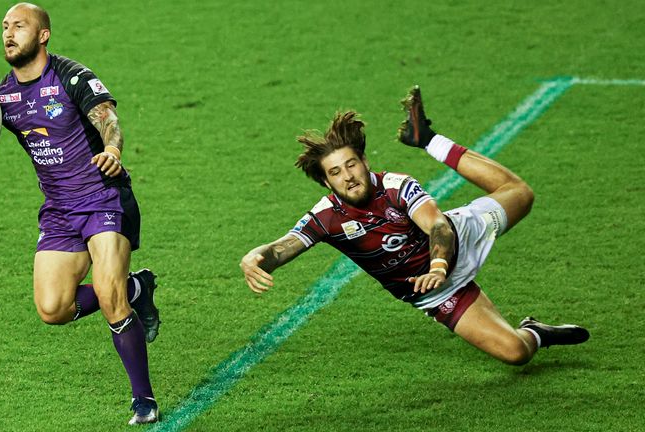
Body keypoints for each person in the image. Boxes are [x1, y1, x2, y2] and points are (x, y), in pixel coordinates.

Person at [240, 85, 589, 366]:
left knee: (521, 194)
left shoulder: (396, 185)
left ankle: (429, 140)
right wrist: (255, 257)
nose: (348, 176)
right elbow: (283, 246)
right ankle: (536, 331)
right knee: (516, 353)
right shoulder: (326, 216)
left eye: (351, 165)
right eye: (335, 172)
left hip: (459, 238)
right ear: (326, 183)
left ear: (364, 160)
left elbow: (437, 226)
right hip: (437, 293)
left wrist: (438, 264)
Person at [0, 3, 161, 425]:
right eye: (4, 27)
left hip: (102, 198)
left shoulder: (70, 75)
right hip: (59, 210)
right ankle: (137, 288)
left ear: (42, 35)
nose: (8, 33)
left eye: (19, 26)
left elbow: (107, 117)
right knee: (52, 308)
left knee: (108, 295)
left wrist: (112, 148)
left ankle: (143, 399)